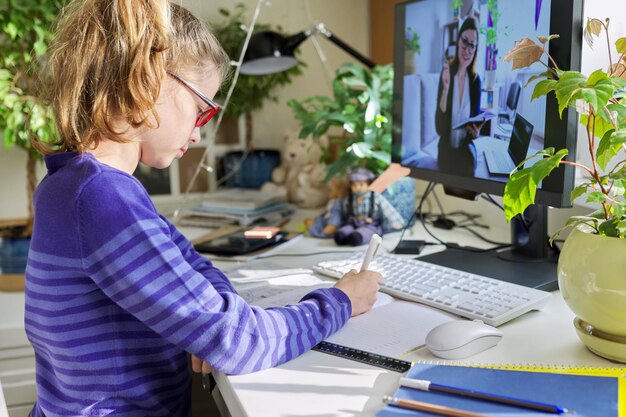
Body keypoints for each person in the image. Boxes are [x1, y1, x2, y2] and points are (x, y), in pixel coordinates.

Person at [25, 1, 382, 416]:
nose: (198, 133)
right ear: (149, 79)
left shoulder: (71, 183)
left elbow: (191, 265)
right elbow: (241, 343)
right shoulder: (102, 200)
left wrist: (206, 324)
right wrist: (340, 301)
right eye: (202, 109)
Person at [435, 17, 482, 177]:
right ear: (458, 41)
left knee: (469, 170)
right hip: (446, 148)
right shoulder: (447, 73)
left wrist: (476, 132)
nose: (467, 50)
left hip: (465, 148)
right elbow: (439, 129)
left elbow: (475, 124)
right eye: (465, 41)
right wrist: (446, 89)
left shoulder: (476, 81)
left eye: (472, 45)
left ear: (476, 49)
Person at [317, 168, 404, 246]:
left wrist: (395, 221)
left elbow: (387, 208)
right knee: (343, 232)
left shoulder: (374, 196)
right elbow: (343, 209)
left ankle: (356, 237)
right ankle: (343, 236)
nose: (357, 188)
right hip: (353, 222)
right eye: (354, 185)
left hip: (370, 223)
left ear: (369, 184)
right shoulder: (350, 198)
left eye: (361, 184)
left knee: (364, 233)